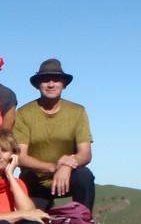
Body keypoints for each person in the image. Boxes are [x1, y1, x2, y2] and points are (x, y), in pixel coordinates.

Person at [13, 59, 95, 211]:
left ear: (63, 84)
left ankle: (83, 223)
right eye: (45, 80)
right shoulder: (23, 114)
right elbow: (20, 157)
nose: (51, 84)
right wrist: (53, 167)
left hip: (68, 177)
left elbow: (85, 154)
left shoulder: (77, 112)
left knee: (84, 176)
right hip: (35, 181)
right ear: (38, 84)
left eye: (56, 80)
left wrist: (65, 165)